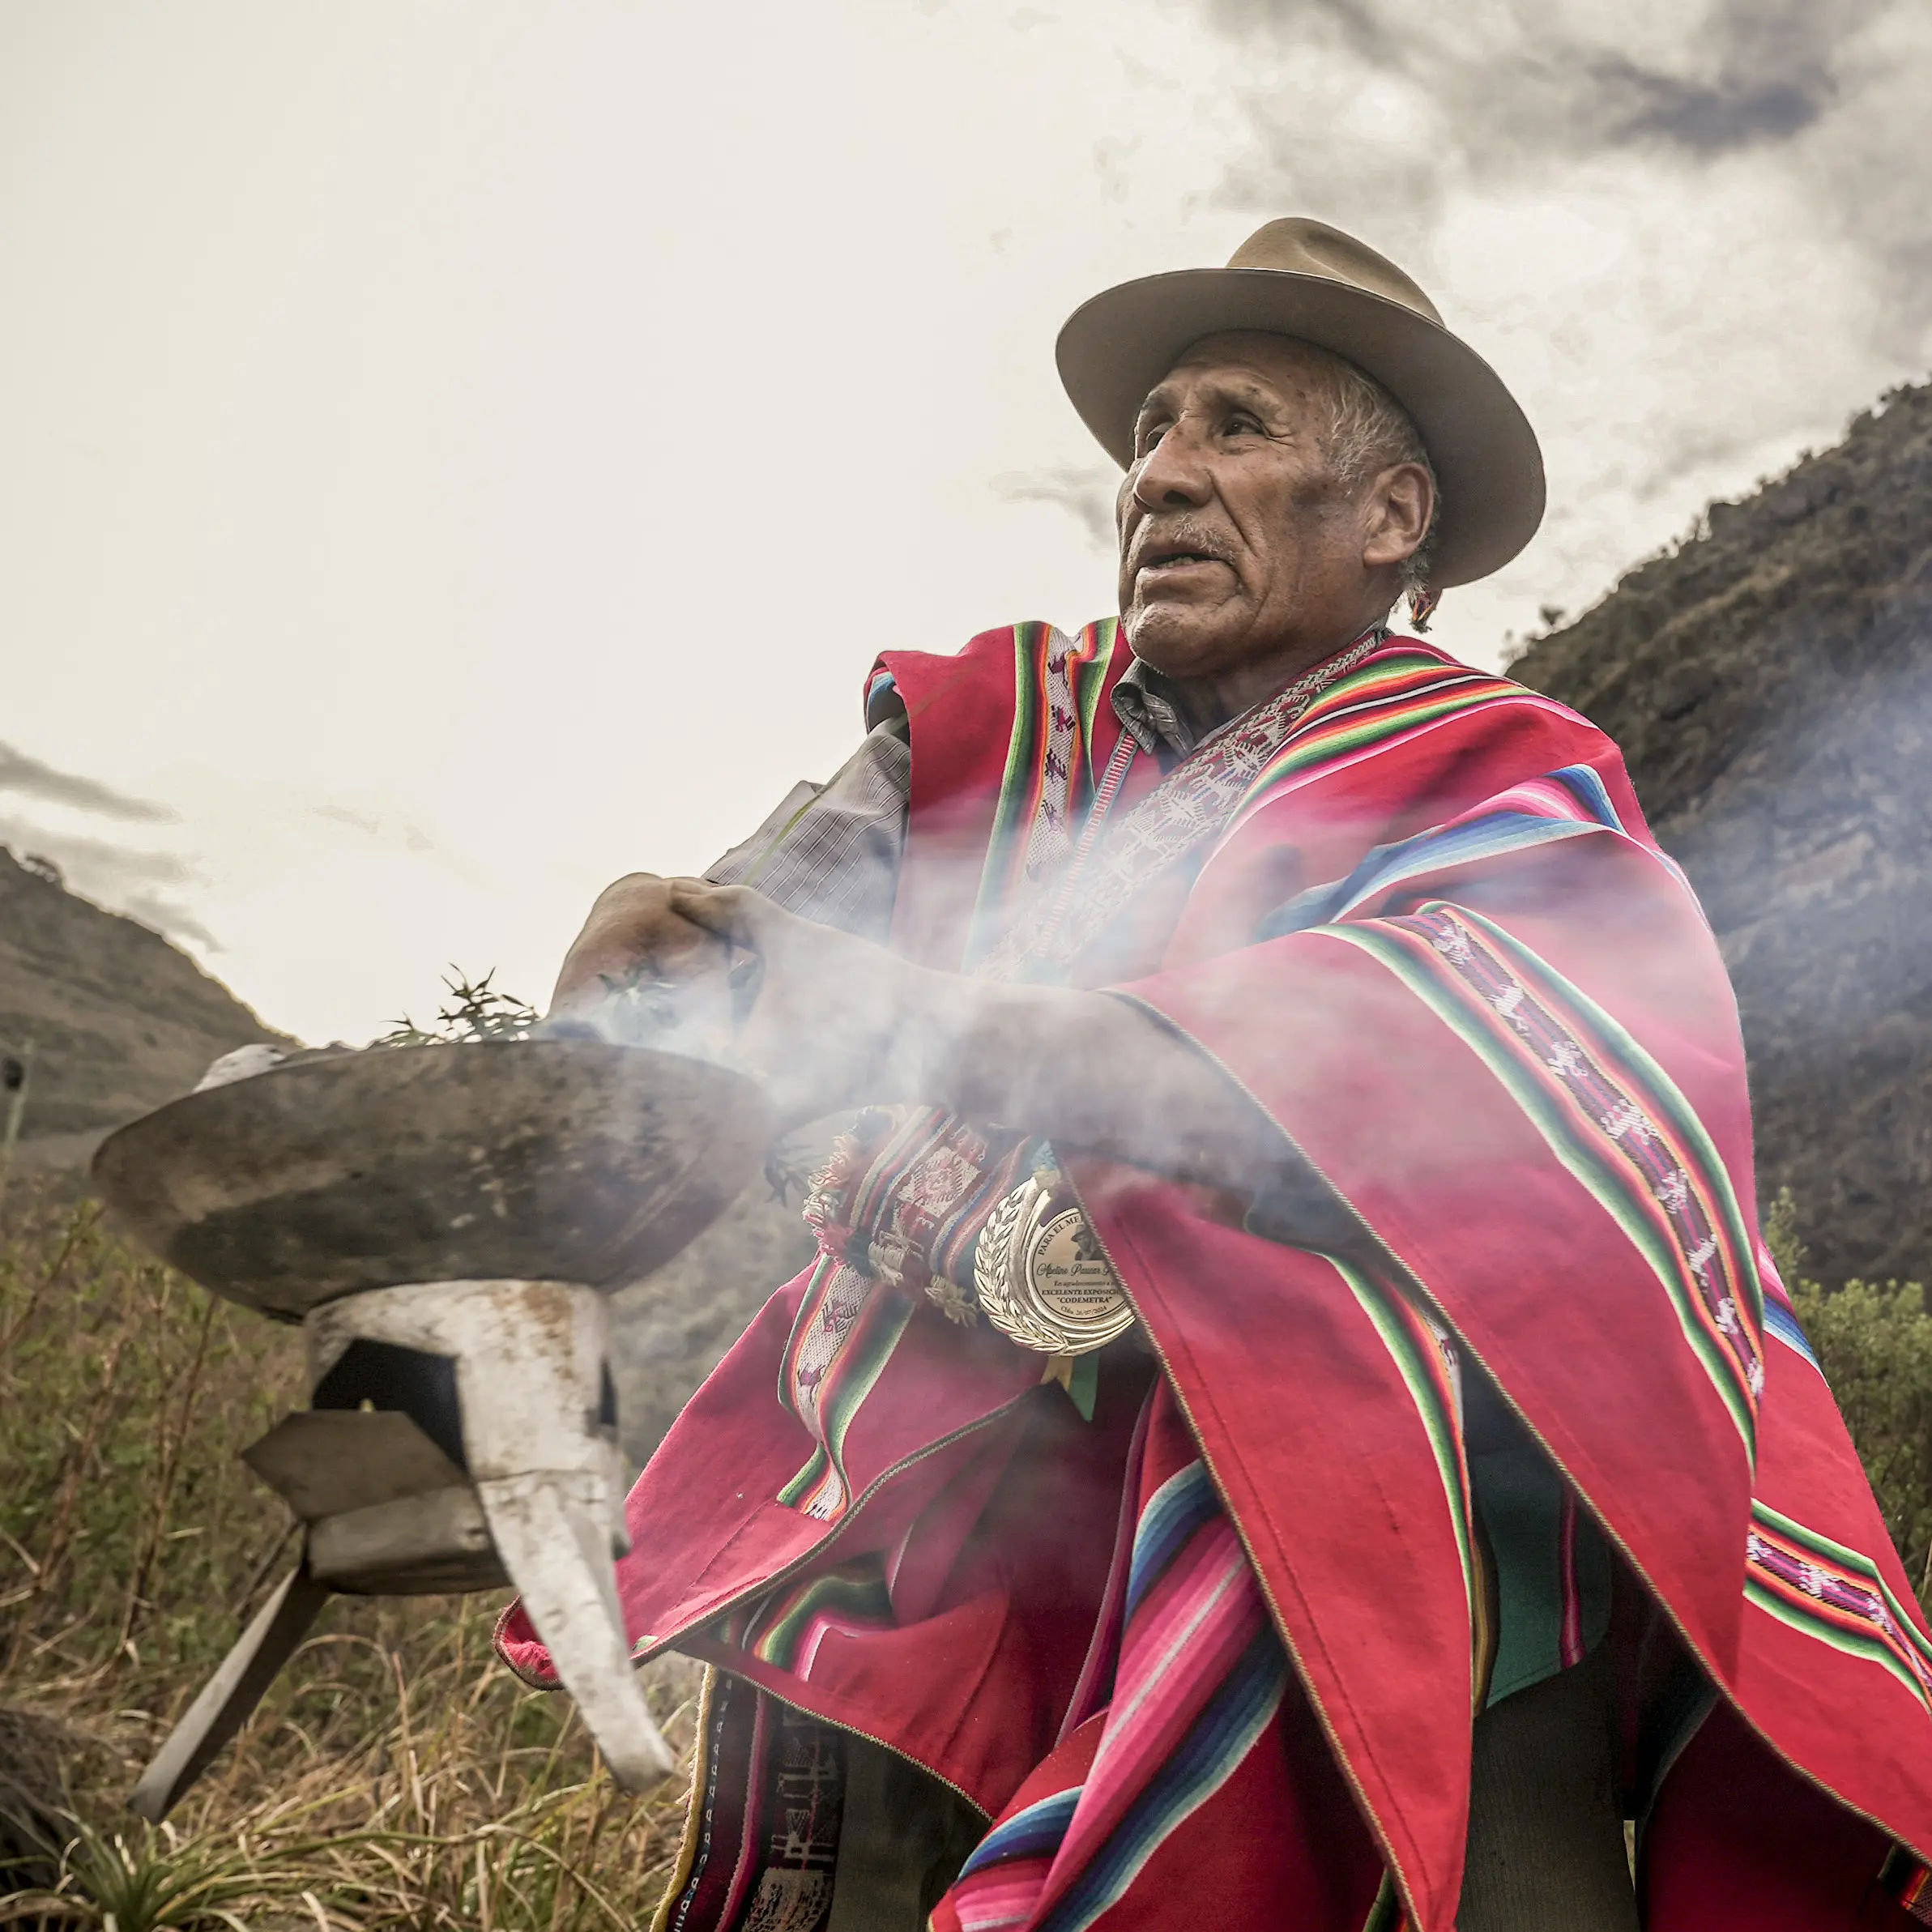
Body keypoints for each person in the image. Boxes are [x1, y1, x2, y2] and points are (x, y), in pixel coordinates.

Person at [497, 220, 1932, 1930]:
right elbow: (735, 991)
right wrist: (642, 993)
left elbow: (1381, 1101)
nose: (1159, 478)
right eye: (1149, 433)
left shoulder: (1507, 790)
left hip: (1405, 1534)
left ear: (1392, 519)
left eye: (1235, 428)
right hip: (942, 1500)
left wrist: (900, 1029)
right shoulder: (989, 729)